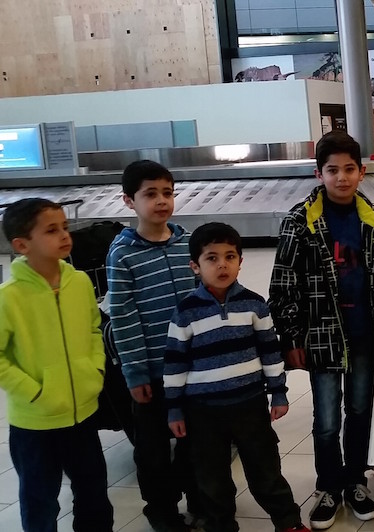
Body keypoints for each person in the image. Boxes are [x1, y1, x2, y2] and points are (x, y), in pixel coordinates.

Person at [268, 131, 374, 530]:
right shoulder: (299, 223)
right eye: (332, 170)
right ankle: (328, 486)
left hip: (365, 336)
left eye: (349, 169)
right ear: (318, 173)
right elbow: (283, 283)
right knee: (325, 420)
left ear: (362, 171)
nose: (341, 177)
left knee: (359, 411)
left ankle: (355, 479)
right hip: (321, 338)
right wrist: (290, 336)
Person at [164, 222, 309, 532]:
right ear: (195, 266)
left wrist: (279, 392)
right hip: (203, 412)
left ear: (240, 261)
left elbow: (270, 352)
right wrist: (174, 409)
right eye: (212, 258)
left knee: (266, 470)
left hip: (250, 405)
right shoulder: (186, 312)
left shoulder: (254, 305)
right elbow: (175, 364)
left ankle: (288, 522)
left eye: (230, 256)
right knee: (212, 478)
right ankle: (220, 525)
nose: (222, 265)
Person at [0, 198, 115, 532]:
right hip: (36, 424)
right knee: (40, 500)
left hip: (82, 413)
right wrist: (34, 392)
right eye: (52, 230)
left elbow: (94, 328)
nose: (65, 235)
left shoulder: (79, 282)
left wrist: (94, 371)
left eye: (65, 226)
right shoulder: (10, 297)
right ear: (22, 244)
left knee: (94, 493)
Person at [106, 160, 200, 532]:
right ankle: (162, 511)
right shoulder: (122, 254)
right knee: (153, 450)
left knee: (195, 442)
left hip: (191, 369)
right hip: (152, 371)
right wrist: (134, 372)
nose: (161, 201)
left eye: (167, 193)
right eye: (150, 194)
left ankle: (199, 498)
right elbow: (124, 316)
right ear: (129, 201)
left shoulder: (188, 243)